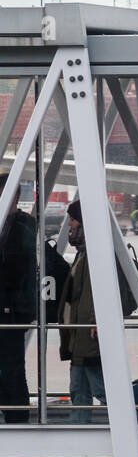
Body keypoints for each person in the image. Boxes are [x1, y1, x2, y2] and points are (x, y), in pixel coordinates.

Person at [57, 200, 107, 423]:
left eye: (73, 220)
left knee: (101, 388)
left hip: (89, 336)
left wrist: (97, 320)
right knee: (79, 388)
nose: (70, 226)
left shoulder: (98, 255)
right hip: (79, 336)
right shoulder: (82, 255)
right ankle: (78, 429)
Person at [0, 170, 37, 424]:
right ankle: (11, 412)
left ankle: (17, 418)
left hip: (12, 310)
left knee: (12, 367)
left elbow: (16, 265)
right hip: (8, 306)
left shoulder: (23, 225)